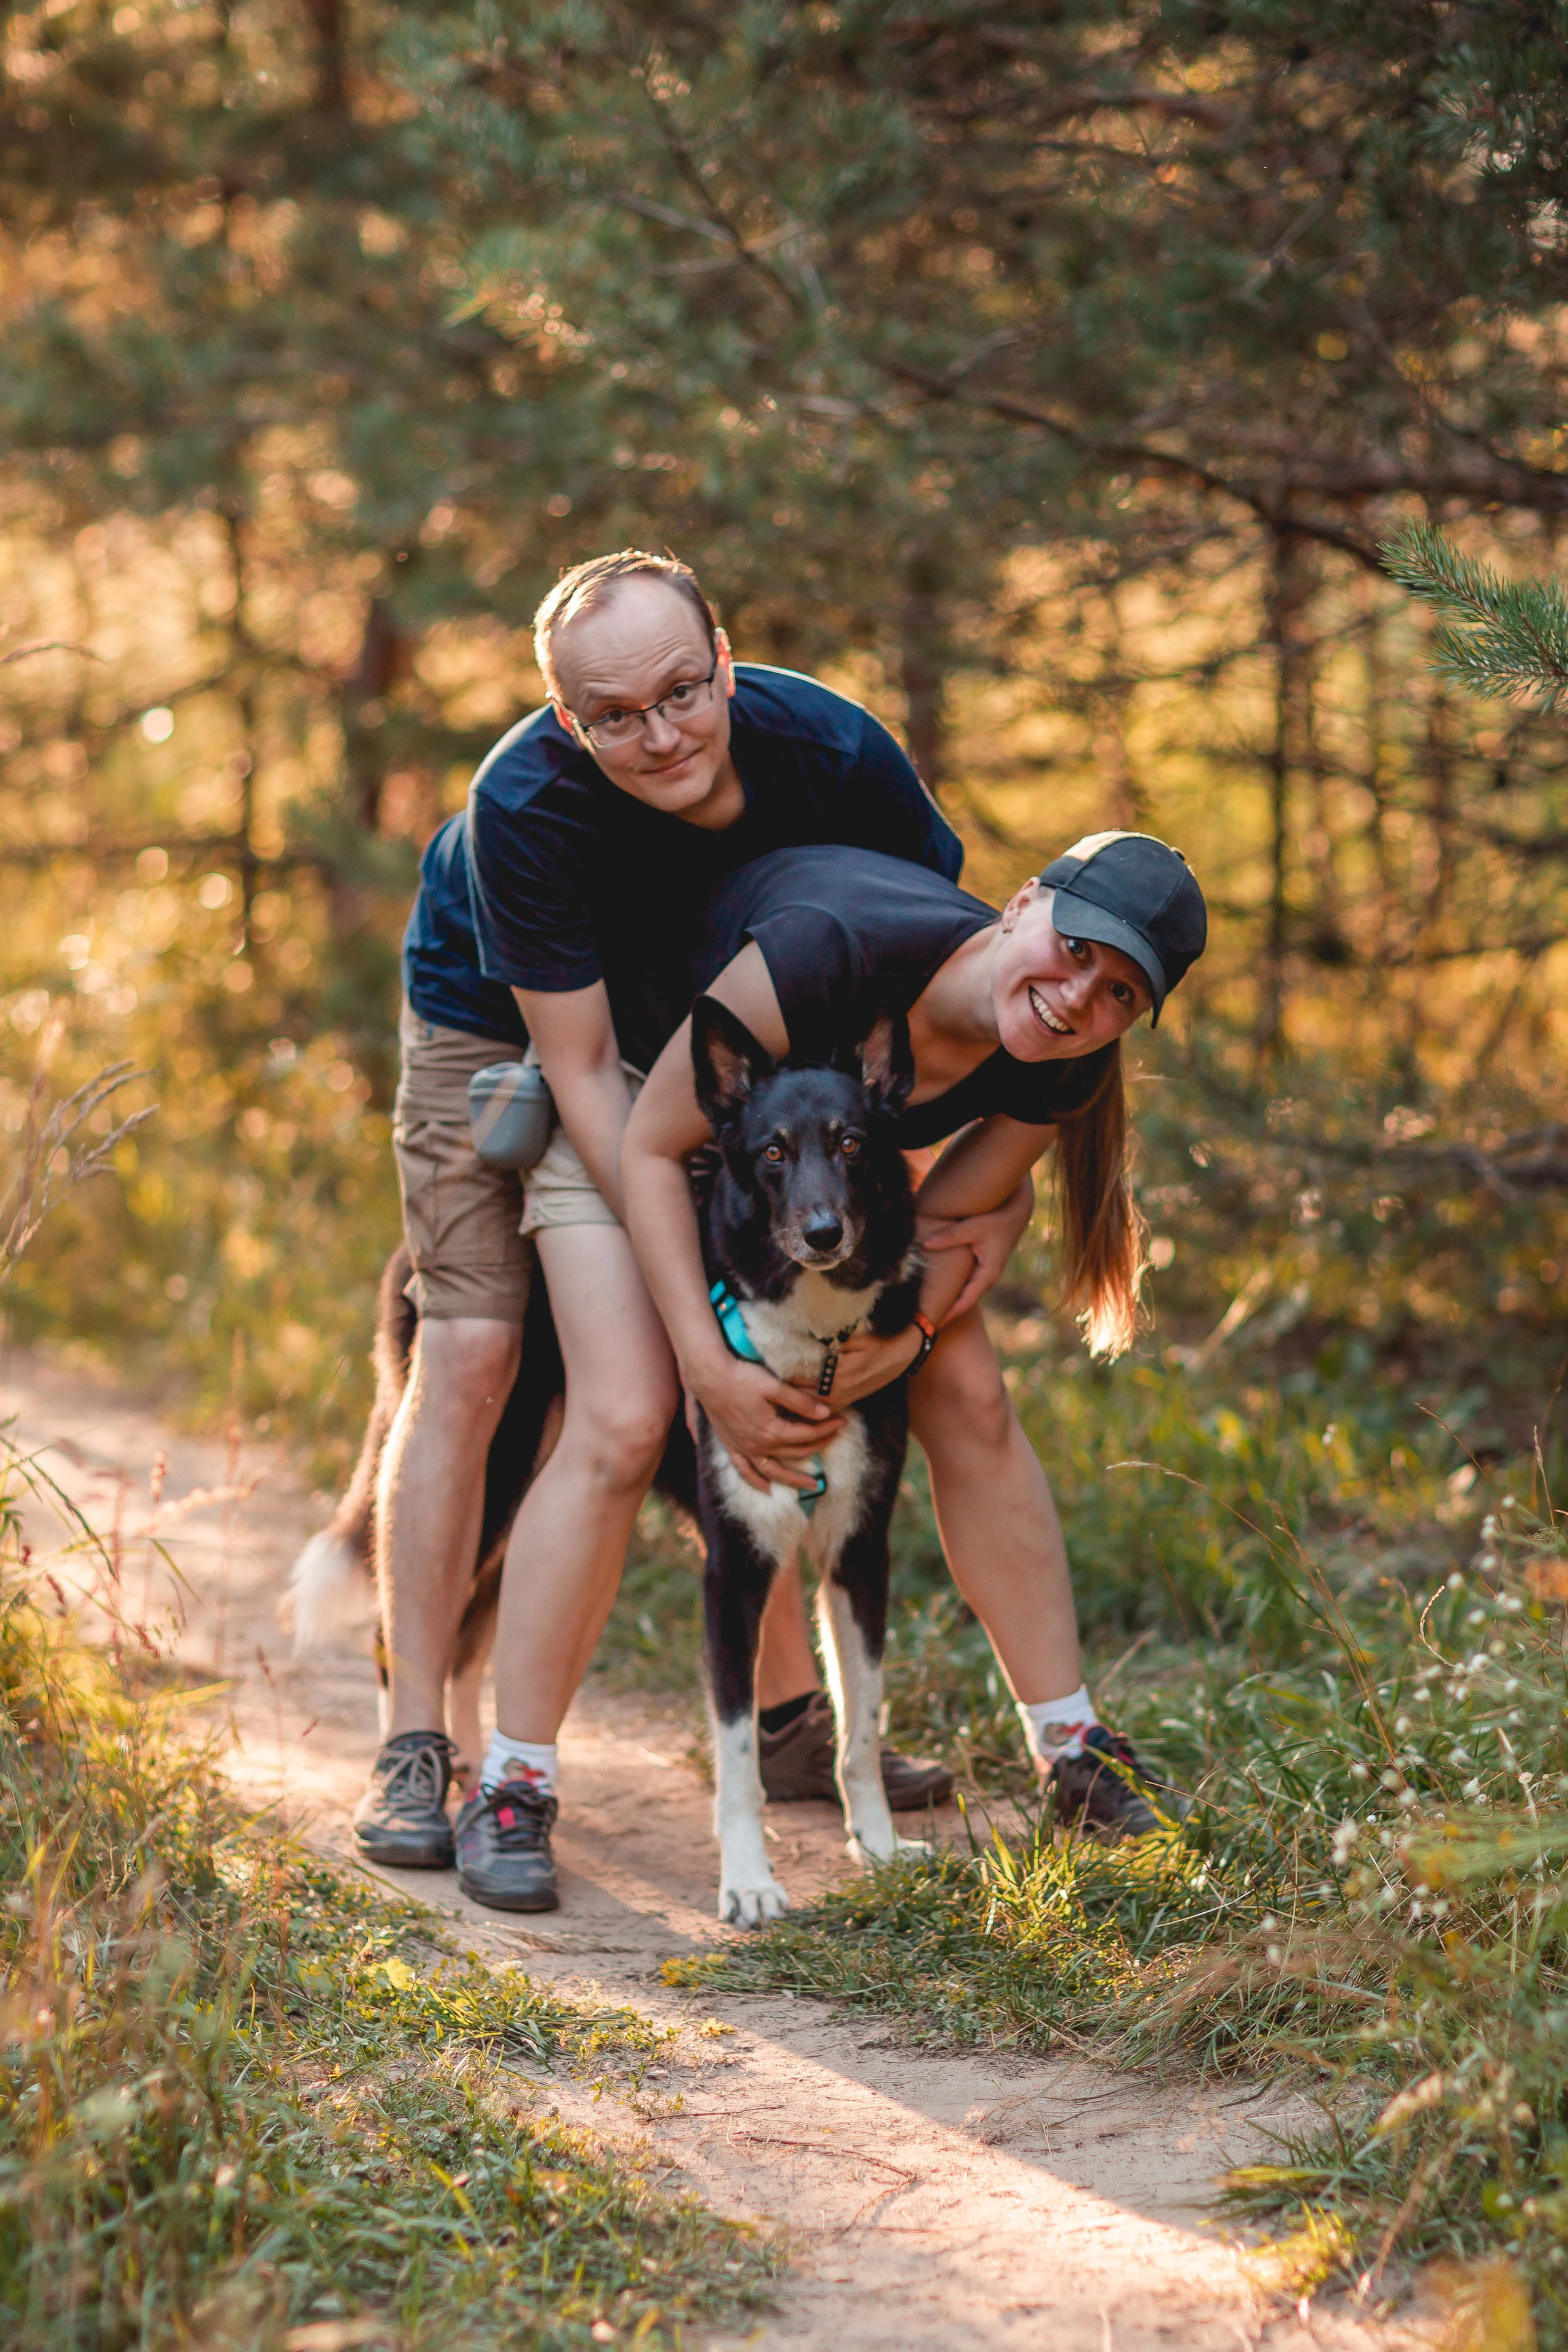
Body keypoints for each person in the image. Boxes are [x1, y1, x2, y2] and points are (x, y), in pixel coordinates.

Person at [355, 549, 971, 1890]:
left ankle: (795, 1726)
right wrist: (692, 1325)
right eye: (614, 717)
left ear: (726, 665)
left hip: (729, 1055)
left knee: (745, 1379)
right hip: (512, 1032)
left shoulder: (837, 754)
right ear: (567, 721)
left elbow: (923, 960)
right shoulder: (525, 800)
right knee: (490, 1357)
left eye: (682, 693)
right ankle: (421, 1745)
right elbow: (583, 1076)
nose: (659, 734)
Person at [621, 831, 1208, 1818]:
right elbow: (649, 1147)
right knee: (715, 1403)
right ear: (1022, 903)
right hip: (668, 1111)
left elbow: (923, 1232)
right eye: (1075, 951)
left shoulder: (1060, 1064)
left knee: (970, 1390)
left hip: (828, 1201)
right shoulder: (827, 954)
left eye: (1121, 995)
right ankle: (781, 1723)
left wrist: (904, 1340)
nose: (1080, 999)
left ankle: (1071, 1747)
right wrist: (704, 1360)